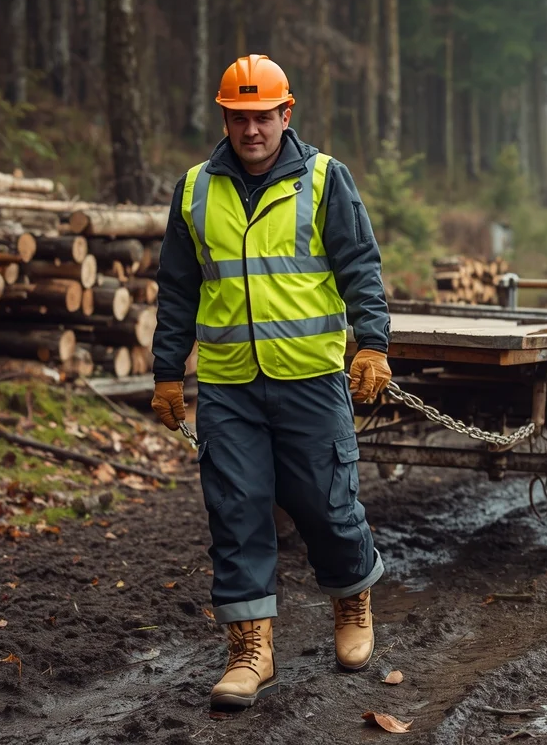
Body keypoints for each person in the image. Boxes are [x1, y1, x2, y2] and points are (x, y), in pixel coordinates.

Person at [150, 54, 392, 711]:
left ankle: (352, 599)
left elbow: (360, 268)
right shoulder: (196, 189)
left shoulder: (324, 180)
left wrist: (371, 343)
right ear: (224, 117)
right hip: (229, 386)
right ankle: (251, 648)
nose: (251, 129)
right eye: (239, 116)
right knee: (237, 509)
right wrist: (167, 372)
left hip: (310, 380)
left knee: (327, 505)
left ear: (287, 114)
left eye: (263, 116)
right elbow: (176, 289)